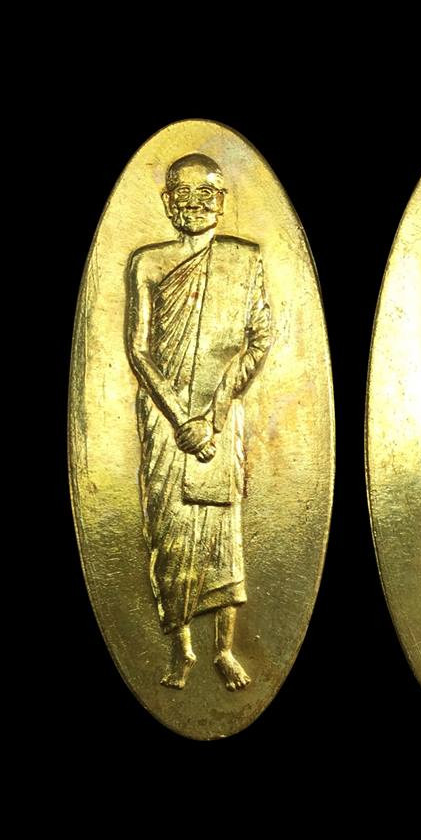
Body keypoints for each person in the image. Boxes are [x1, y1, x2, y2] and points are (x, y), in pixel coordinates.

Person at [125, 153, 272, 690]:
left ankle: (224, 649)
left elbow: (260, 339)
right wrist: (180, 416)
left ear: (221, 201)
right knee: (169, 530)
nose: (193, 205)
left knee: (222, 534)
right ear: (168, 202)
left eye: (205, 194)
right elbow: (138, 350)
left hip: (220, 418)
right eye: (182, 195)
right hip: (166, 422)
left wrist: (213, 414)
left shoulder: (245, 260)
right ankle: (181, 647)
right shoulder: (147, 262)